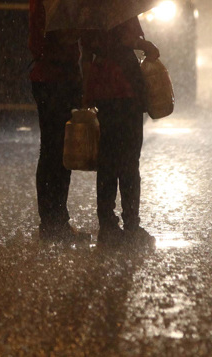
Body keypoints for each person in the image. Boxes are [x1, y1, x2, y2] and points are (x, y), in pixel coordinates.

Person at [28, 0, 89, 244]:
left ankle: (52, 222)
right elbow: (54, 36)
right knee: (57, 153)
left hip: (48, 78)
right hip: (57, 78)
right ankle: (54, 223)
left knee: (51, 152)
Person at [82, 17, 159, 250]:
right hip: (125, 89)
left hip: (103, 88)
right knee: (128, 159)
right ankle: (131, 225)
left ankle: (107, 224)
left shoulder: (89, 7)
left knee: (107, 160)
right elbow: (125, 38)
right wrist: (145, 45)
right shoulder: (119, 3)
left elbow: (88, 48)